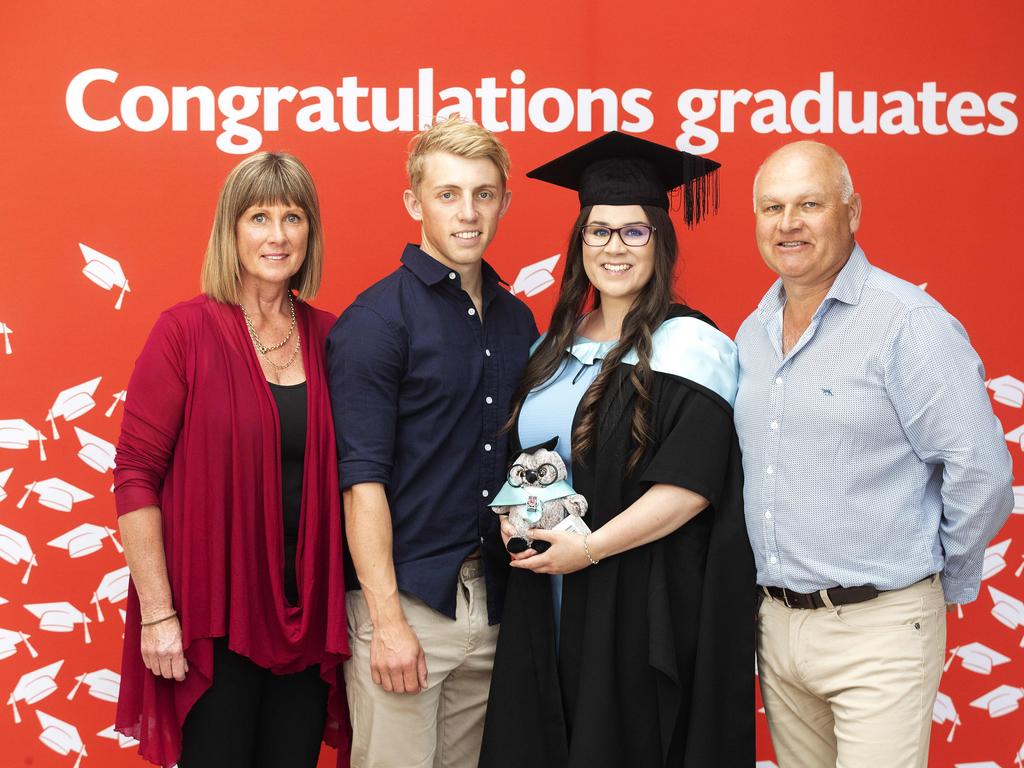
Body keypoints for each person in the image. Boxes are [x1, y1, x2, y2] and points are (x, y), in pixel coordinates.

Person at [479, 131, 755, 768]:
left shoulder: (690, 347)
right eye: (599, 231)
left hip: (634, 594)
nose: (615, 247)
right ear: (581, 243)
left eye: (635, 232)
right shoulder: (552, 345)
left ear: (661, 239)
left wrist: (591, 549)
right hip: (544, 591)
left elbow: (689, 487)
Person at [736, 140, 1015, 768]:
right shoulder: (751, 332)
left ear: (852, 212)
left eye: (810, 204)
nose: (789, 224)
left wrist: (940, 579)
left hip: (880, 629)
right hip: (777, 629)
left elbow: (983, 471)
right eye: (772, 207)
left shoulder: (909, 323)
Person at [113, 152, 349, 768]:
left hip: (307, 616)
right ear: (231, 230)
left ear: (311, 233)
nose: (277, 236)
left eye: (293, 217)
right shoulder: (183, 333)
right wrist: (158, 614)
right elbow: (135, 476)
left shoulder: (332, 337)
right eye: (259, 217)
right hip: (212, 617)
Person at [326, 116, 538, 768]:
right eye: (448, 194)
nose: (467, 212)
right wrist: (387, 623)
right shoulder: (375, 321)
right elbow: (361, 484)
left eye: (483, 193)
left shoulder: (517, 318)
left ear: (504, 200)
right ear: (415, 204)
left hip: (493, 605)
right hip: (406, 610)